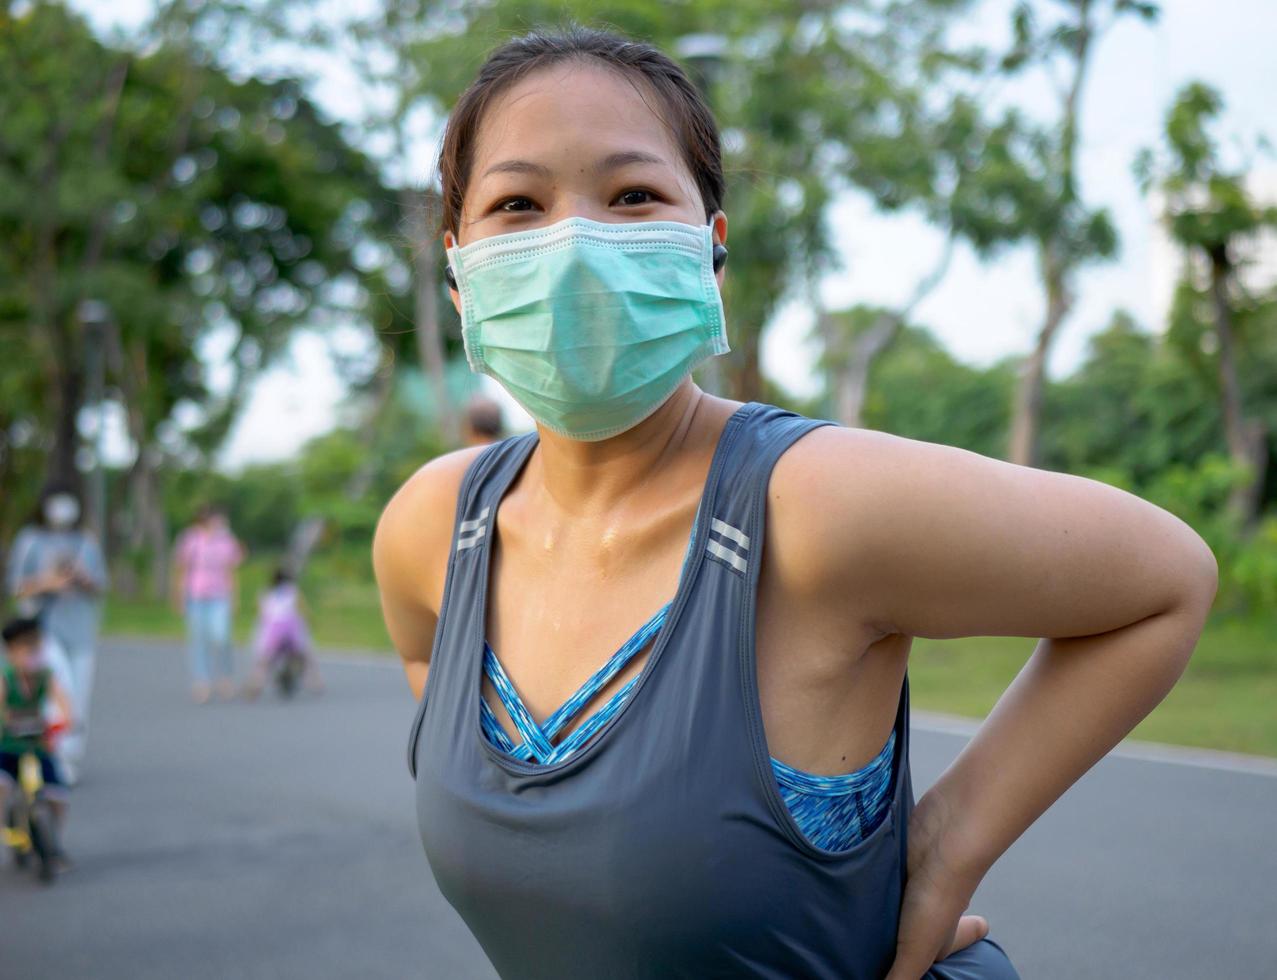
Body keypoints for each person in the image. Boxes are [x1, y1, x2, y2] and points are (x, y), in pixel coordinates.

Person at [373, 27, 1217, 980]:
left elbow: (1165, 580)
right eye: (518, 203)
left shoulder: (810, 506)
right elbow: (425, 662)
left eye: (633, 195)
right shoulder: (433, 529)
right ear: (457, 267)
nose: (575, 244)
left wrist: (945, 846)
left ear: (710, 249)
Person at [6, 483, 107, 785]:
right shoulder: (31, 540)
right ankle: (50, 756)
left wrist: (83, 579)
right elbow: (16, 586)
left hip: (81, 631)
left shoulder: (86, 542)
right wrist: (48, 583)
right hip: (44, 631)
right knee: (57, 693)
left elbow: (101, 585)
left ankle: (69, 759)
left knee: (79, 697)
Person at [0, 616, 74, 870]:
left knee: (58, 796)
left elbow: (63, 703)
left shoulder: (45, 676)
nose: (32, 654)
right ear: (11, 652)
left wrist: (64, 723)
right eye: (26, 649)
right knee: (2, 786)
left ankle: (54, 845)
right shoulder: (6, 679)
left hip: (37, 743)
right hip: (8, 746)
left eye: (36, 648)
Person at [172, 504, 245, 703]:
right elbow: (183, 569)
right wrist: (179, 596)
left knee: (222, 636)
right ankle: (201, 680)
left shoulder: (226, 541)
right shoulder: (191, 539)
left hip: (220, 595)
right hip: (196, 596)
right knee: (198, 639)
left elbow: (232, 569)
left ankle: (225, 677)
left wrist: (235, 597)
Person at [242, 568, 323, 698]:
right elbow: (304, 611)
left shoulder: (266, 593)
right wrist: (310, 621)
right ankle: (315, 681)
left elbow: (262, 615)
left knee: (264, 661)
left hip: (273, 632)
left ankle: (255, 684)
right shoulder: (292, 591)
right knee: (306, 656)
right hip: (291, 632)